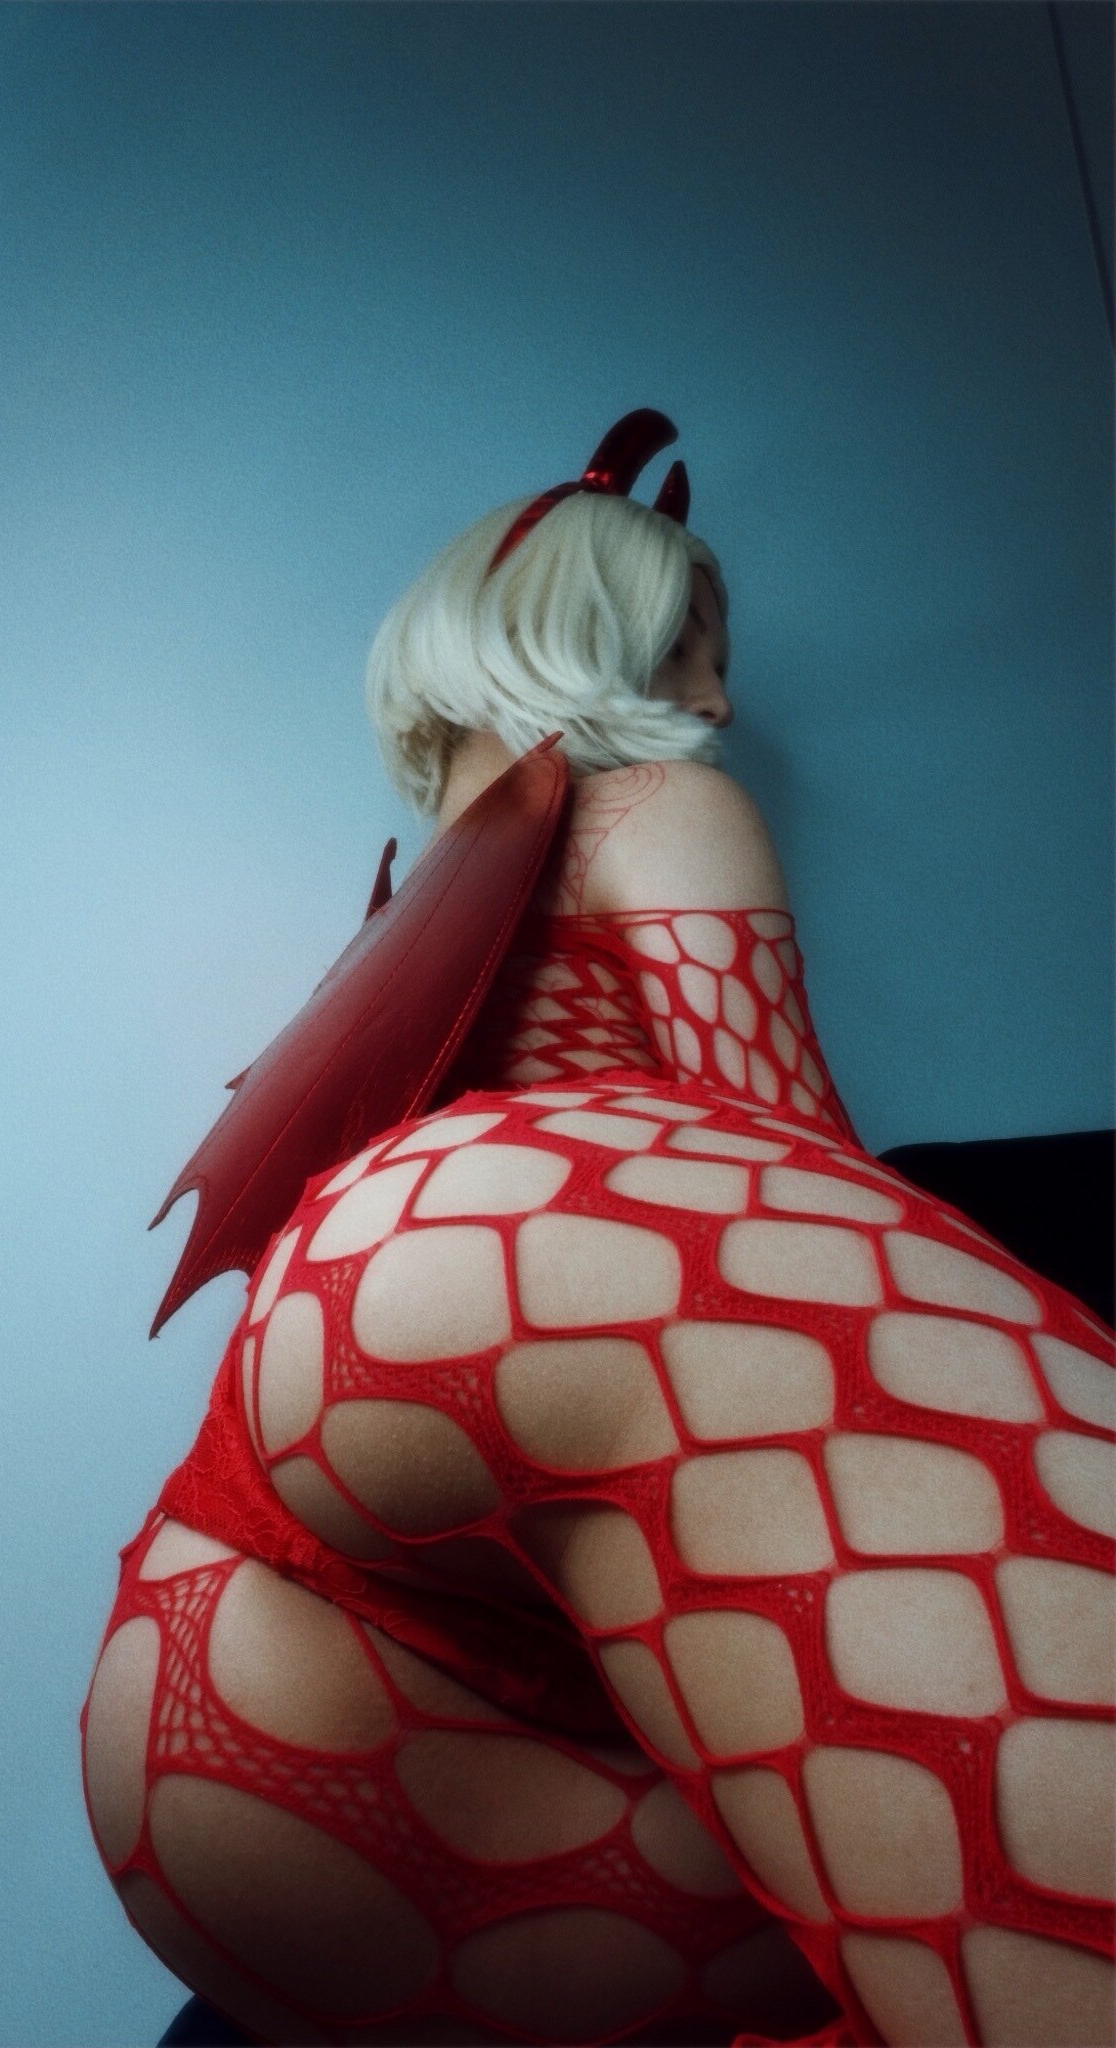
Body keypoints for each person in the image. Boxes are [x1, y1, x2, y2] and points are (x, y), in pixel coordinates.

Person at [82, 415, 1115, 2048]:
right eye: (692, 651)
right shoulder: (652, 803)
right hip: (521, 1297)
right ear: (591, 638)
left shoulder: (404, 911)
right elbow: (800, 1197)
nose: (720, 705)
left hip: (252, 1646)